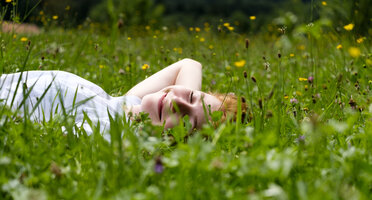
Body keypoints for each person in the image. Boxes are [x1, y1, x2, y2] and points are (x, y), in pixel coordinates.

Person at [0, 58, 246, 138]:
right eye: (191, 96)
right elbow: (190, 64)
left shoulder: (108, 134)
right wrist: (185, 102)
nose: (178, 102)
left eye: (186, 119)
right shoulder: (129, 104)